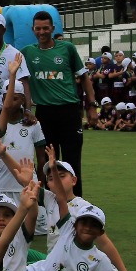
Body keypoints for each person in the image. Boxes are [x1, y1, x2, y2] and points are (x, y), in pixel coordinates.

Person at [21, 11, 96, 194]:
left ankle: (76, 205)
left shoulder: (67, 49)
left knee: (71, 162)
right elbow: (19, 74)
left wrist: (92, 107)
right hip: (45, 114)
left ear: (53, 28)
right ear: (33, 29)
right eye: (38, 28)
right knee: (48, 163)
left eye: (45, 28)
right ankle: (52, 206)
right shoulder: (27, 52)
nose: (42, 32)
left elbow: (84, 77)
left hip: (69, 112)